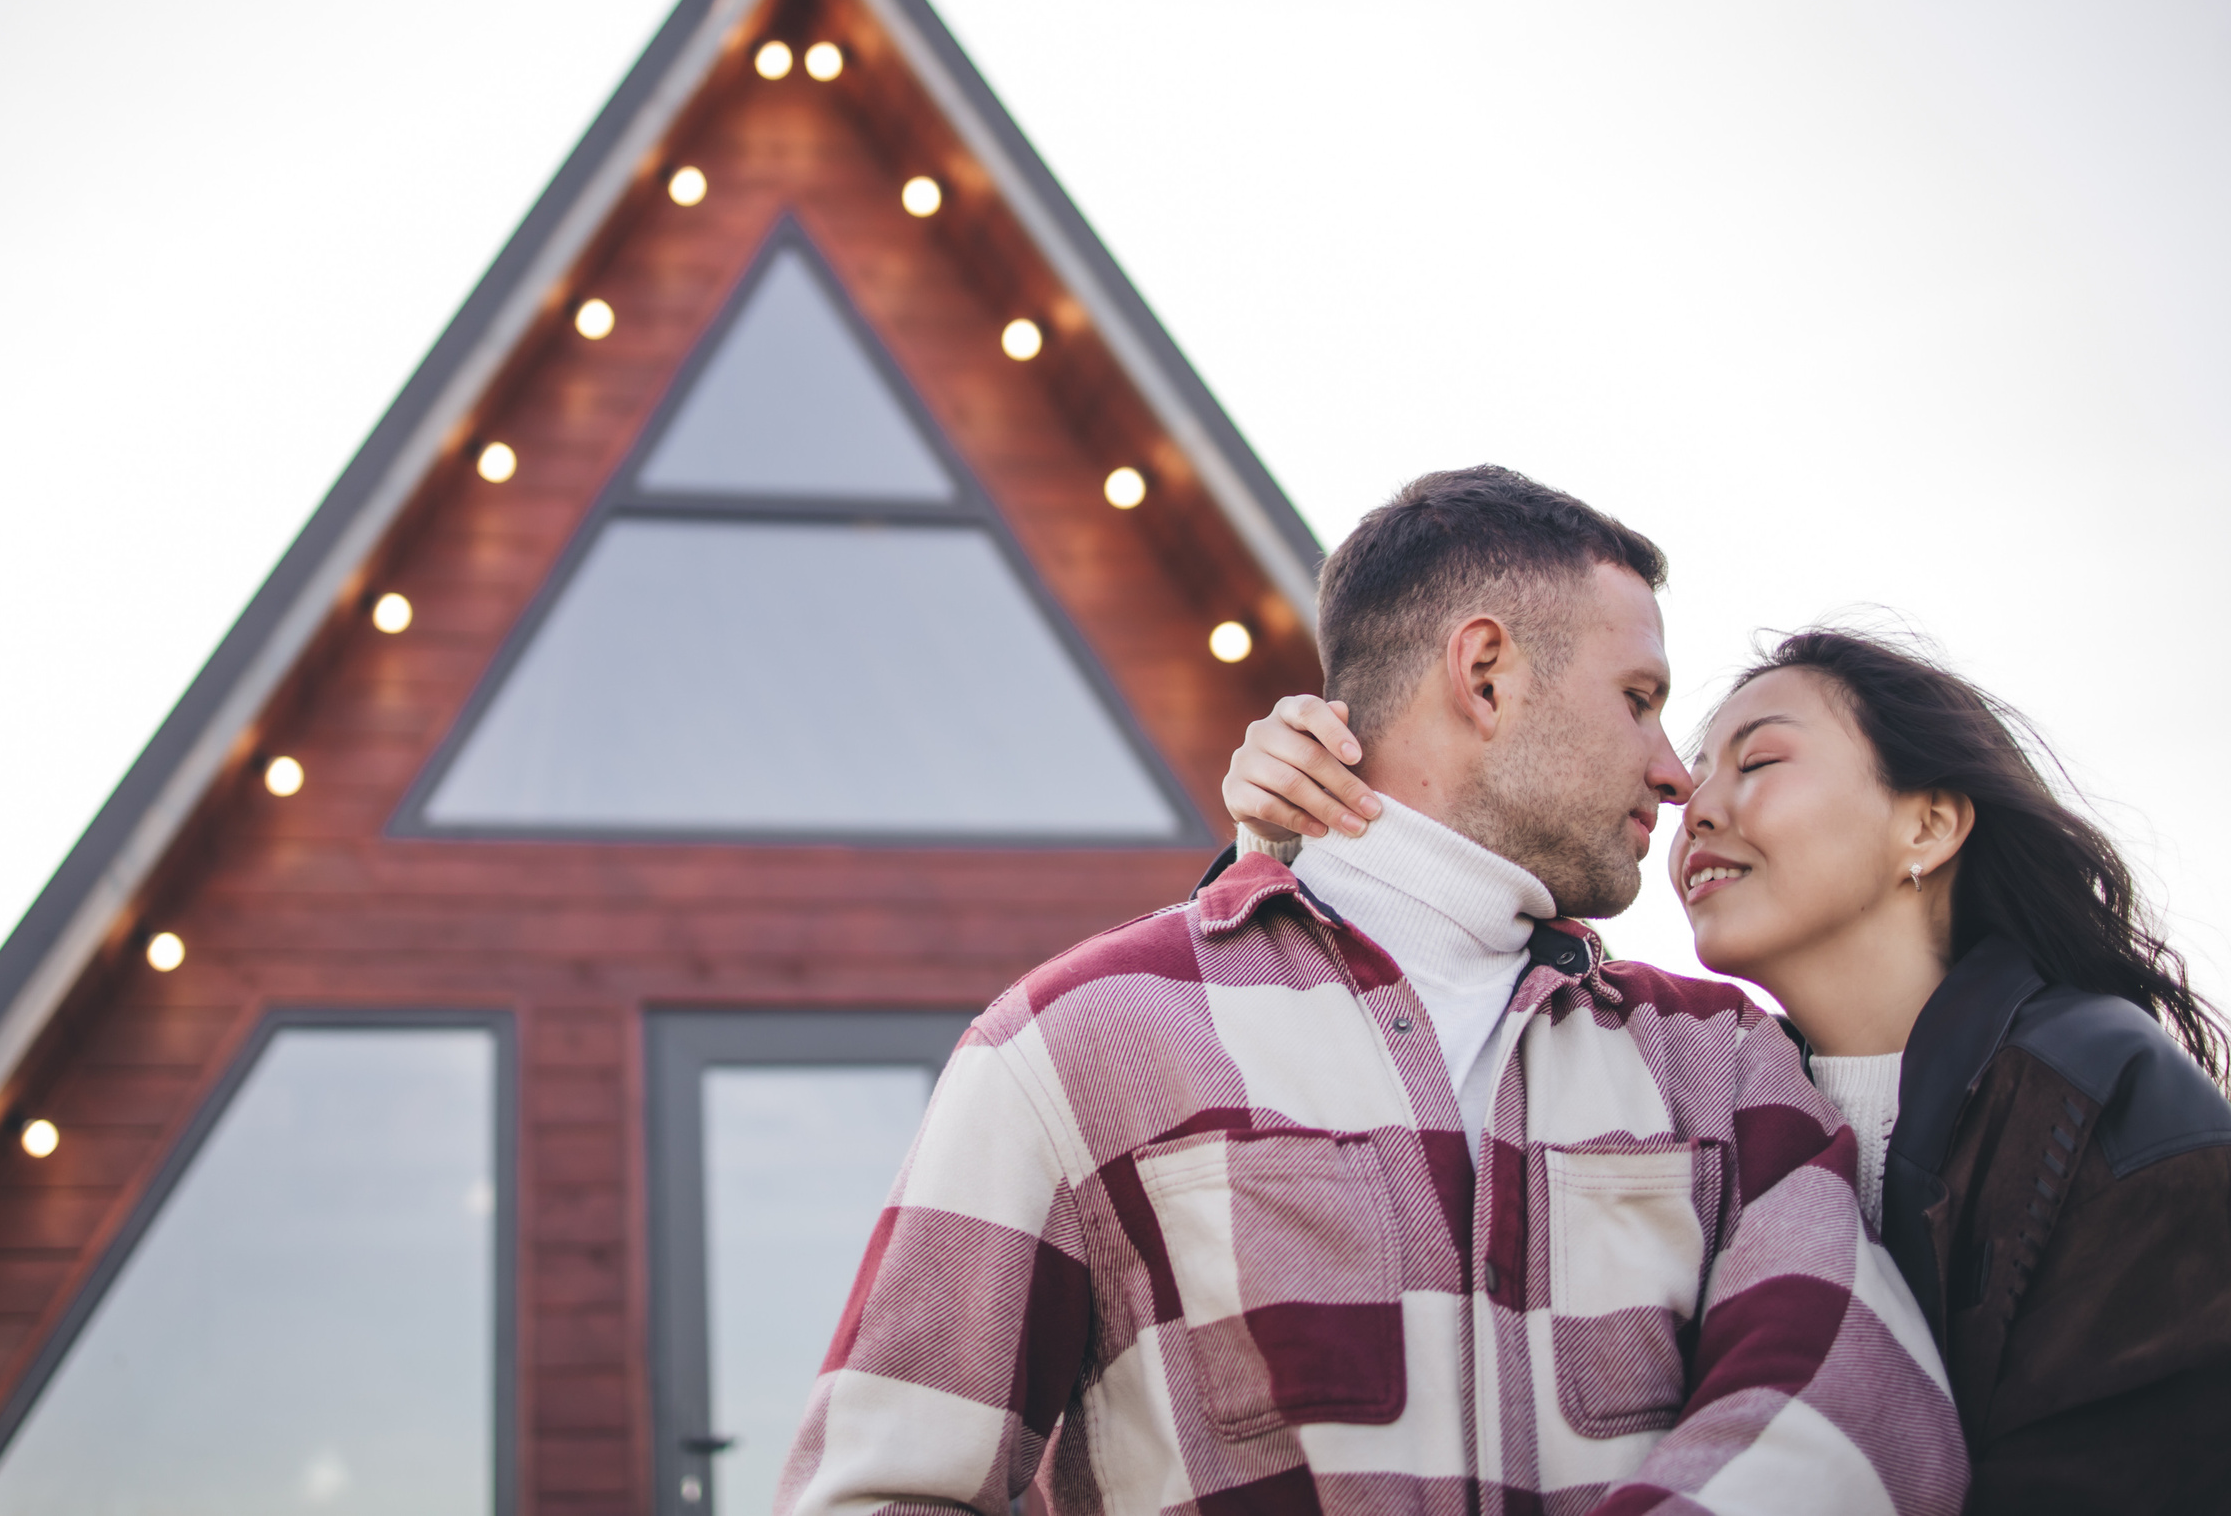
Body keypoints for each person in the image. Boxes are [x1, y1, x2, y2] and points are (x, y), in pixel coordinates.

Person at [777, 468, 1965, 1516]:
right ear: (1486, 675)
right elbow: (880, 1490)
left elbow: (1863, 1419)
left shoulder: (1721, 1062)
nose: (1671, 773)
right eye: (1639, 700)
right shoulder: (1074, 1046)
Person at [1229, 627, 2231, 1512]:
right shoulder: (1697, 1094)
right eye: (1697, 772)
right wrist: (1296, 858)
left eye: (1758, 761)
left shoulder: (2107, 1107)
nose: (1694, 805)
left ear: (1925, 826)